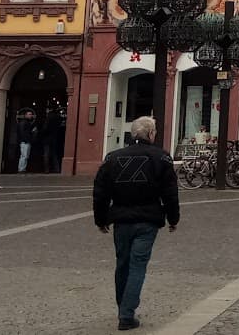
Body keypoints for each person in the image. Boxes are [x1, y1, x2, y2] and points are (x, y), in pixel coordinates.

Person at [92, 116, 179, 331]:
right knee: (137, 265)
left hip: (121, 219)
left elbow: (100, 192)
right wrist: (173, 218)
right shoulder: (161, 158)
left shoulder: (113, 158)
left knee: (122, 264)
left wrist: (100, 219)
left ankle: (123, 307)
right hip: (147, 219)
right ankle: (126, 314)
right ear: (151, 134)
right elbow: (170, 193)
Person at [17, 109, 38, 173]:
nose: (30, 116)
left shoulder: (26, 123)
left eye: (31, 114)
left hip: (26, 141)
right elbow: (22, 132)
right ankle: (21, 169)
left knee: (24, 156)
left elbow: (26, 132)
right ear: (25, 115)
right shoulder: (24, 123)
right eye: (29, 114)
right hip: (25, 142)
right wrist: (27, 140)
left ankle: (22, 169)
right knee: (24, 156)